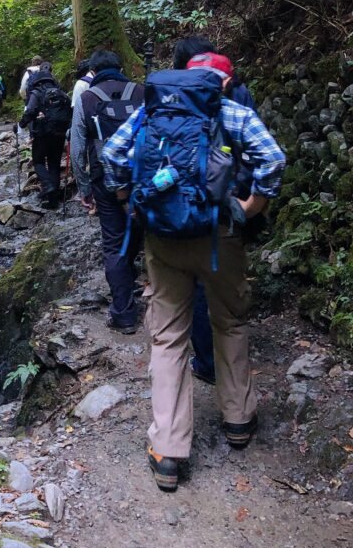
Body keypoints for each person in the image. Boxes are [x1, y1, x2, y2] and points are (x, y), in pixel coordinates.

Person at [102, 58, 285, 492]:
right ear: (221, 81)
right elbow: (273, 159)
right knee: (230, 322)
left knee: (167, 337)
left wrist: (132, 201)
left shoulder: (152, 111)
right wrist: (250, 207)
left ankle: (168, 450)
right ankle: (238, 420)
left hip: (163, 238)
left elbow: (111, 155)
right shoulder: (230, 112)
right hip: (221, 236)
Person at [173, 38, 258, 386]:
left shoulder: (172, 97)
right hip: (230, 206)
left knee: (193, 286)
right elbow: (263, 156)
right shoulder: (239, 95)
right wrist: (250, 203)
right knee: (225, 288)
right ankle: (235, 387)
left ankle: (206, 361)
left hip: (185, 205)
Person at [70, 50, 145, 331]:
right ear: (121, 67)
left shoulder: (87, 98)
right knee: (137, 231)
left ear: (93, 70)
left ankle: (124, 314)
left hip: (104, 179)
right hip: (141, 177)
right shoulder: (141, 92)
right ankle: (132, 279)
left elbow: (77, 146)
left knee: (113, 242)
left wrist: (84, 188)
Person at [18, 62, 71, 208]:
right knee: (54, 163)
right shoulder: (61, 93)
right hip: (60, 133)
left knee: (38, 161)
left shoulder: (37, 92)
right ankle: (53, 201)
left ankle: (48, 185)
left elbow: (30, 111)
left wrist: (21, 124)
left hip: (43, 133)